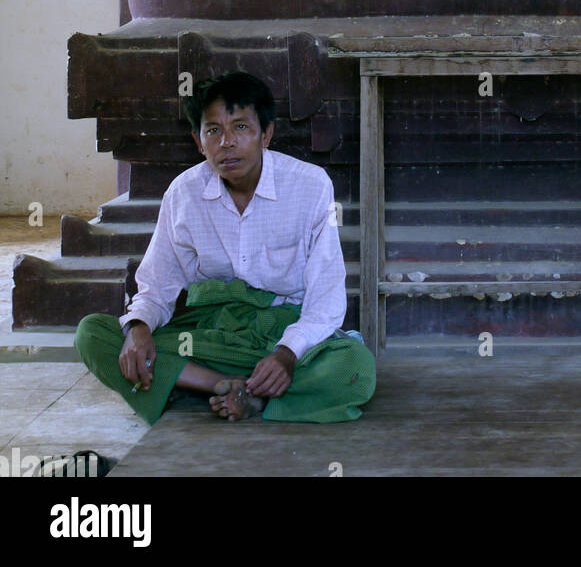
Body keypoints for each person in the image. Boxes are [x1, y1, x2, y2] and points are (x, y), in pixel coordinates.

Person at [74, 72, 375, 424]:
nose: (227, 143)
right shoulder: (183, 193)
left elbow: (325, 295)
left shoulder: (310, 186)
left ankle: (209, 387)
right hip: (209, 334)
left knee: (354, 369)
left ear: (266, 134)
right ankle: (229, 387)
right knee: (94, 335)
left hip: (278, 333)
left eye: (241, 128)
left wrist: (287, 354)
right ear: (198, 141)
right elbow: (158, 284)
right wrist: (138, 327)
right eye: (213, 130)